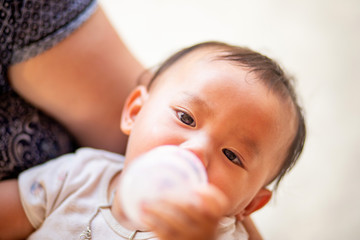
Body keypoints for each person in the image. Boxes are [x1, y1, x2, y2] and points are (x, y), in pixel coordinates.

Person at [0, 41, 306, 239]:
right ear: (135, 111)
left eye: (232, 155)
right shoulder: (81, 175)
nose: (196, 151)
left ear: (250, 204)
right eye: (186, 118)